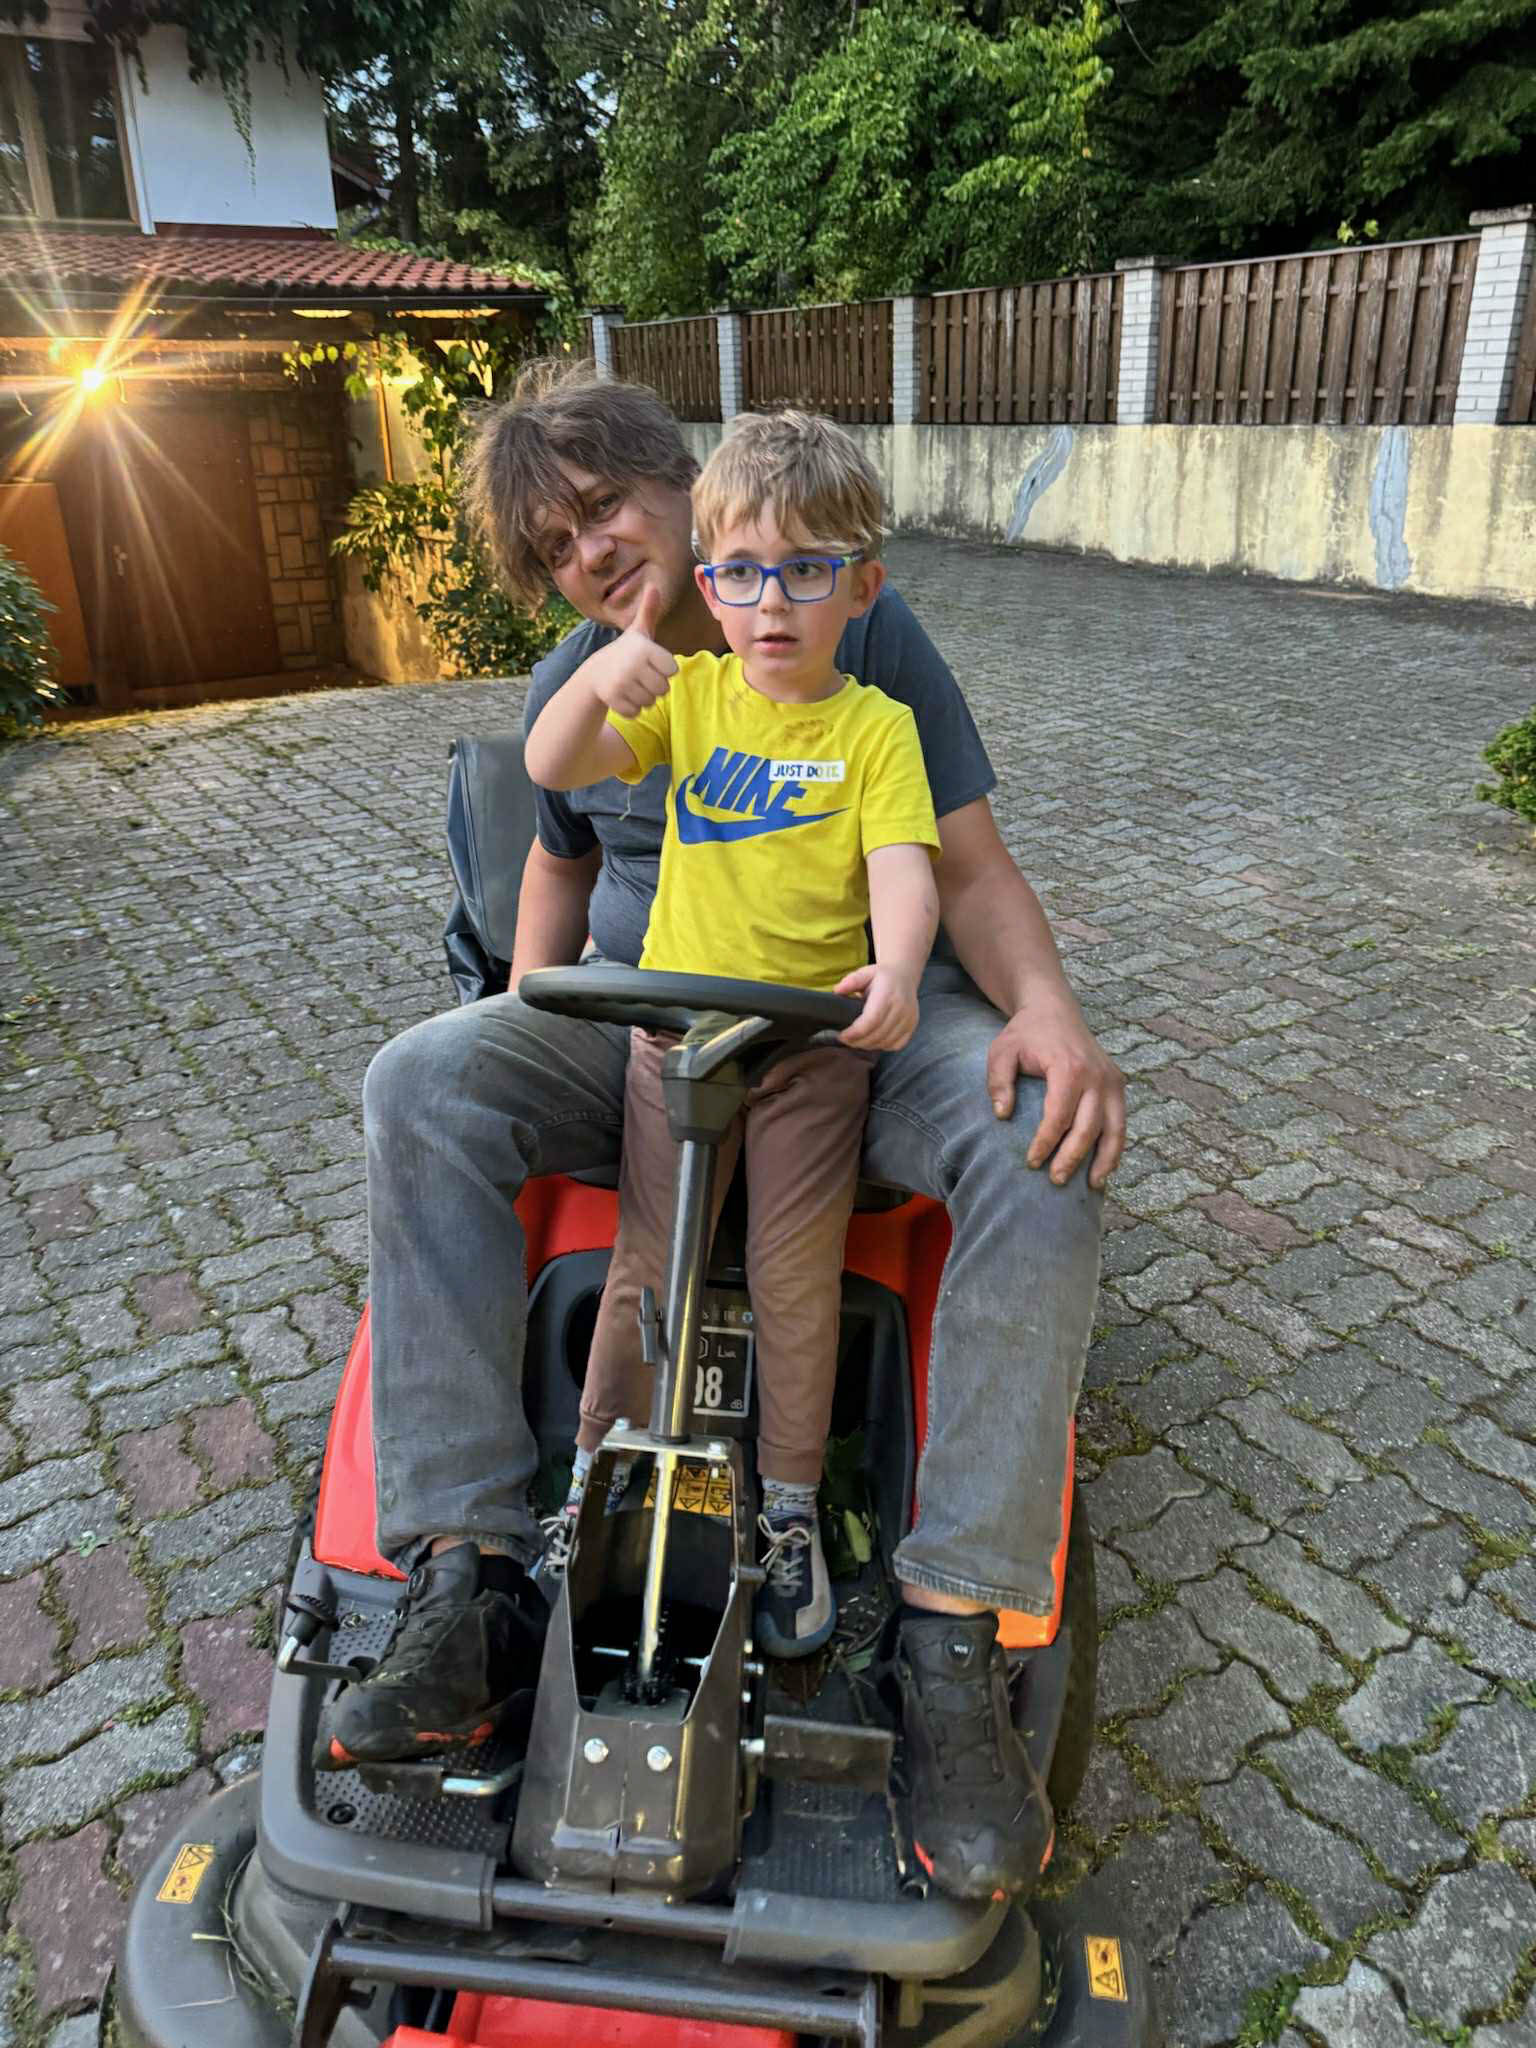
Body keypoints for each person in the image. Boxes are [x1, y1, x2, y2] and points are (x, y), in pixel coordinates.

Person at [328, 359, 1126, 1903]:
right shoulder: (594, 677)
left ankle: (953, 1633)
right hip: (645, 1022)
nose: (587, 552)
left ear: (680, 488)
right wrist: (521, 1008)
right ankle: (469, 1581)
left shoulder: (856, 630)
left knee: (1043, 1141)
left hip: (852, 1022)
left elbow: (963, 862)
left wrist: (1046, 1009)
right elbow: (555, 861)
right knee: (421, 1081)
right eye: (554, 545)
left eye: (602, 508)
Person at [524, 409, 940, 1659]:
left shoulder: (876, 728)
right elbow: (553, 764)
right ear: (710, 586)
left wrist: (898, 965)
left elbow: (905, 866)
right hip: (678, 1046)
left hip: (811, 1054)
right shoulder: (690, 697)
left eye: (807, 571)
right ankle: (594, 1477)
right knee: (647, 1267)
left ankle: (791, 1509)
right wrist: (597, 679)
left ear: (861, 587)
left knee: (793, 1277)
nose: (774, 603)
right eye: (746, 574)